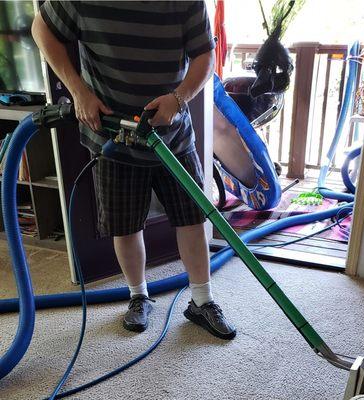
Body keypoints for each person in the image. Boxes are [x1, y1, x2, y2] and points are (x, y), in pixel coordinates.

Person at [32, 1, 236, 339]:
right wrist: (78, 92)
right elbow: (42, 28)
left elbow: (204, 56)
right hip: (112, 135)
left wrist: (179, 98)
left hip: (172, 137)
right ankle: (138, 296)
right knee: (124, 226)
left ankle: (202, 300)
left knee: (192, 218)